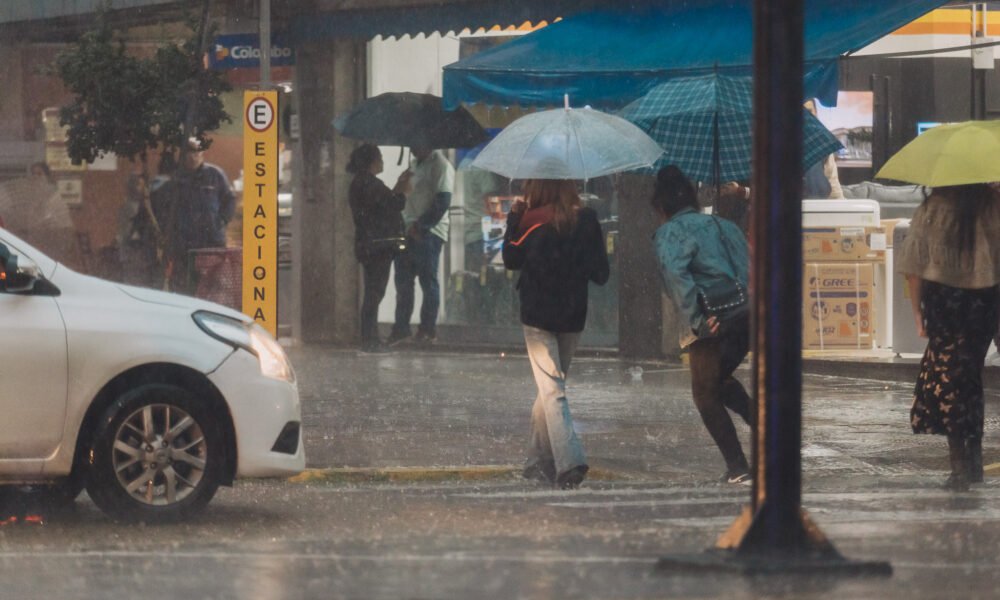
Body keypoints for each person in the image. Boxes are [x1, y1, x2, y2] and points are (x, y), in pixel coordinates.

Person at [502, 178, 610, 489]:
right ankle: (538, 462)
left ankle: (569, 461)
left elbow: (511, 259)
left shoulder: (530, 221)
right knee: (551, 388)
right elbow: (601, 274)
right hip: (573, 314)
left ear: (537, 190)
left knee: (551, 389)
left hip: (538, 315)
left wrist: (513, 220)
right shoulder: (587, 219)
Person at [651, 165, 753, 485]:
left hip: (713, 320)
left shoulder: (669, 233)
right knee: (720, 380)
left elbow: (677, 281)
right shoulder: (725, 226)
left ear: (661, 207)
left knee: (705, 392)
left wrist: (697, 321)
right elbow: (748, 269)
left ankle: (738, 465)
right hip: (749, 315)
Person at [896, 183, 1000, 491]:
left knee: (951, 382)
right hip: (984, 303)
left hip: (945, 303)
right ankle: (972, 463)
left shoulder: (932, 209)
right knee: (969, 378)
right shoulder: (992, 205)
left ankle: (961, 467)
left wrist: (917, 315)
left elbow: (914, 267)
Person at [387, 145, 454, 346]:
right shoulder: (414, 164)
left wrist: (422, 226)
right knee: (403, 282)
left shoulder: (441, 165)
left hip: (429, 233)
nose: (412, 147)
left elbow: (443, 200)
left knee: (428, 281)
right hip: (407, 230)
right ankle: (401, 328)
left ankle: (427, 329)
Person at [346, 144, 410, 353]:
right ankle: (370, 338)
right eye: (380, 158)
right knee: (375, 292)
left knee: (373, 291)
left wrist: (398, 188)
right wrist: (403, 190)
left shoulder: (359, 184)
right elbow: (392, 204)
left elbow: (382, 203)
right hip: (378, 246)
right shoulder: (369, 183)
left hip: (368, 244)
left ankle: (369, 336)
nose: (382, 162)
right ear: (372, 161)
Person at [162, 138, 235, 294]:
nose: (192, 156)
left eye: (196, 152)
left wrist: (221, 221)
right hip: (184, 248)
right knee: (183, 289)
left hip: (211, 244)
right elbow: (166, 208)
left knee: (213, 290)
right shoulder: (176, 179)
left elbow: (229, 199)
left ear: (202, 153)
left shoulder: (215, 175)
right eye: (188, 152)